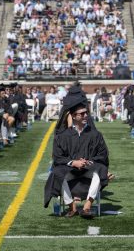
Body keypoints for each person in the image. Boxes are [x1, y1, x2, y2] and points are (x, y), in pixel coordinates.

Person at [44, 90, 109, 218]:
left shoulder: (95, 134)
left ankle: (87, 207)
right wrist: (74, 162)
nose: (86, 116)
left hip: (88, 168)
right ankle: (72, 207)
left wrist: (88, 162)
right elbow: (57, 157)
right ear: (73, 116)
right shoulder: (63, 136)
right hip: (70, 170)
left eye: (86, 113)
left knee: (99, 171)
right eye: (82, 114)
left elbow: (102, 154)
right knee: (57, 174)